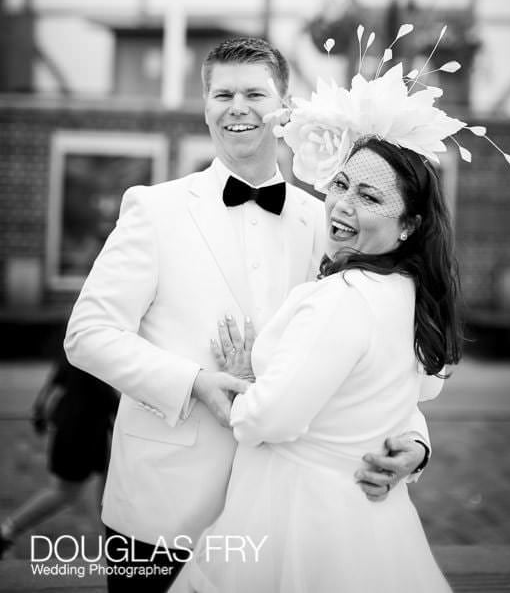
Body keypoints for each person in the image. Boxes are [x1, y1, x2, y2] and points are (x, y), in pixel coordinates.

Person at [64, 37, 431, 592]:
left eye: (255, 93)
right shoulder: (154, 209)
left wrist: (414, 439)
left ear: (285, 106)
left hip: (278, 513)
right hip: (163, 504)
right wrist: (192, 382)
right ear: (206, 106)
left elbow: (365, 346)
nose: (237, 107)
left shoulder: (328, 221)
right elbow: (87, 335)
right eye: (222, 94)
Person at [186, 134, 462, 593]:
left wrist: (244, 386)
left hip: (296, 517)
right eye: (341, 184)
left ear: (409, 224)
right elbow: (398, 391)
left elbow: (268, 419)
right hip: (370, 524)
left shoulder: (344, 298)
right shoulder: (409, 292)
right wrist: (416, 444)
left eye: (368, 196)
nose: (341, 205)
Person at [0, 352, 118, 558]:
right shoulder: (95, 349)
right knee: (66, 492)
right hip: (80, 431)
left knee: (105, 489)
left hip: (79, 429)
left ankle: (113, 545)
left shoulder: (76, 343)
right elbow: (107, 395)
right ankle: (6, 532)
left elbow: (54, 383)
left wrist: (41, 413)